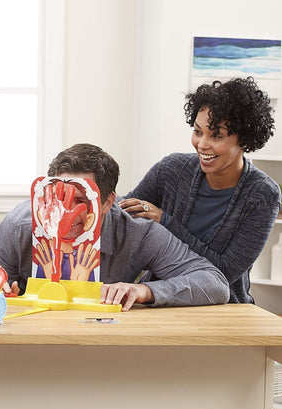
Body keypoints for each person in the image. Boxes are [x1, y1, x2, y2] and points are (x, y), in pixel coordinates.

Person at [0, 143, 230, 310]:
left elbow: (215, 284)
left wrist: (144, 291)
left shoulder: (137, 232)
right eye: (59, 197)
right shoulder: (19, 226)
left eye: (81, 201)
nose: (66, 212)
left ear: (107, 202)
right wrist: (0, 291)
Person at [119, 77, 280, 304]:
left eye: (216, 135)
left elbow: (223, 273)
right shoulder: (171, 170)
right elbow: (120, 219)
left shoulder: (262, 195)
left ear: (244, 139)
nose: (202, 144)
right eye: (197, 131)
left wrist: (165, 221)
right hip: (158, 301)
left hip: (222, 307)